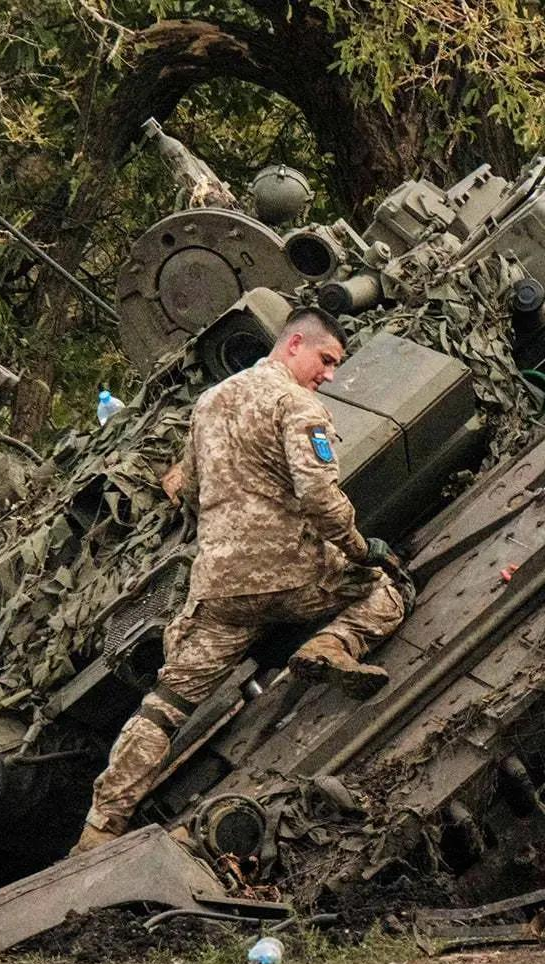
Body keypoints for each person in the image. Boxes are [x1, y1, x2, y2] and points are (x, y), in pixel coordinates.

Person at [74, 307, 407, 854]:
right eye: (325, 361)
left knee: (164, 707)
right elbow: (320, 498)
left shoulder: (209, 403)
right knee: (390, 589)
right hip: (296, 575)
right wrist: (361, 548)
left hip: (220, 589)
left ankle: (98, 829)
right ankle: (330, 645)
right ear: (294, 343)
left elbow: (187, 488)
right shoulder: (297, 405)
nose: (327, 376)